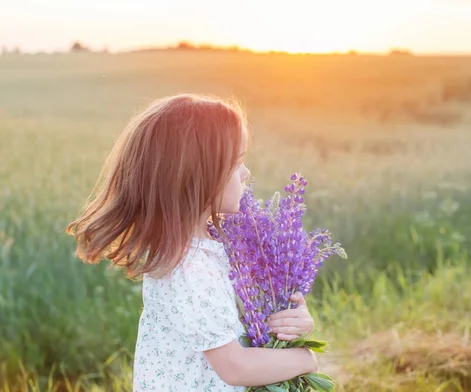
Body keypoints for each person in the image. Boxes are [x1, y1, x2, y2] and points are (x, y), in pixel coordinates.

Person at [66, 94, 318, 391]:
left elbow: (245, 321)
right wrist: (304, 359)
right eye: (237, 163)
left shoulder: (216, 243)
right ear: (198, 176)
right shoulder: (189, 267)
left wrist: (290, 322)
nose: (246, 173)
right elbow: (235, 367)